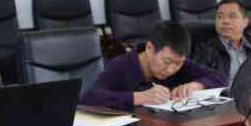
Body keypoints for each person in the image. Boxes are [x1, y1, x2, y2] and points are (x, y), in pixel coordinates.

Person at [81, 21, 225, 110]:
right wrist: (139, 97)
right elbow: (89, 98)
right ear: (149, 48)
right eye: (166, 62)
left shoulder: (179, 62)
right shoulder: (121, 65)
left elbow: (220, 78)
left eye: (178, 63)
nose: (171, 70)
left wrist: (196, 85)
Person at [191, 0, 251, 84]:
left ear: (245, 22)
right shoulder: (205, 49)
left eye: (232, 16)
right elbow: (199, 80)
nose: (225, 21)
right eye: (220, 17)